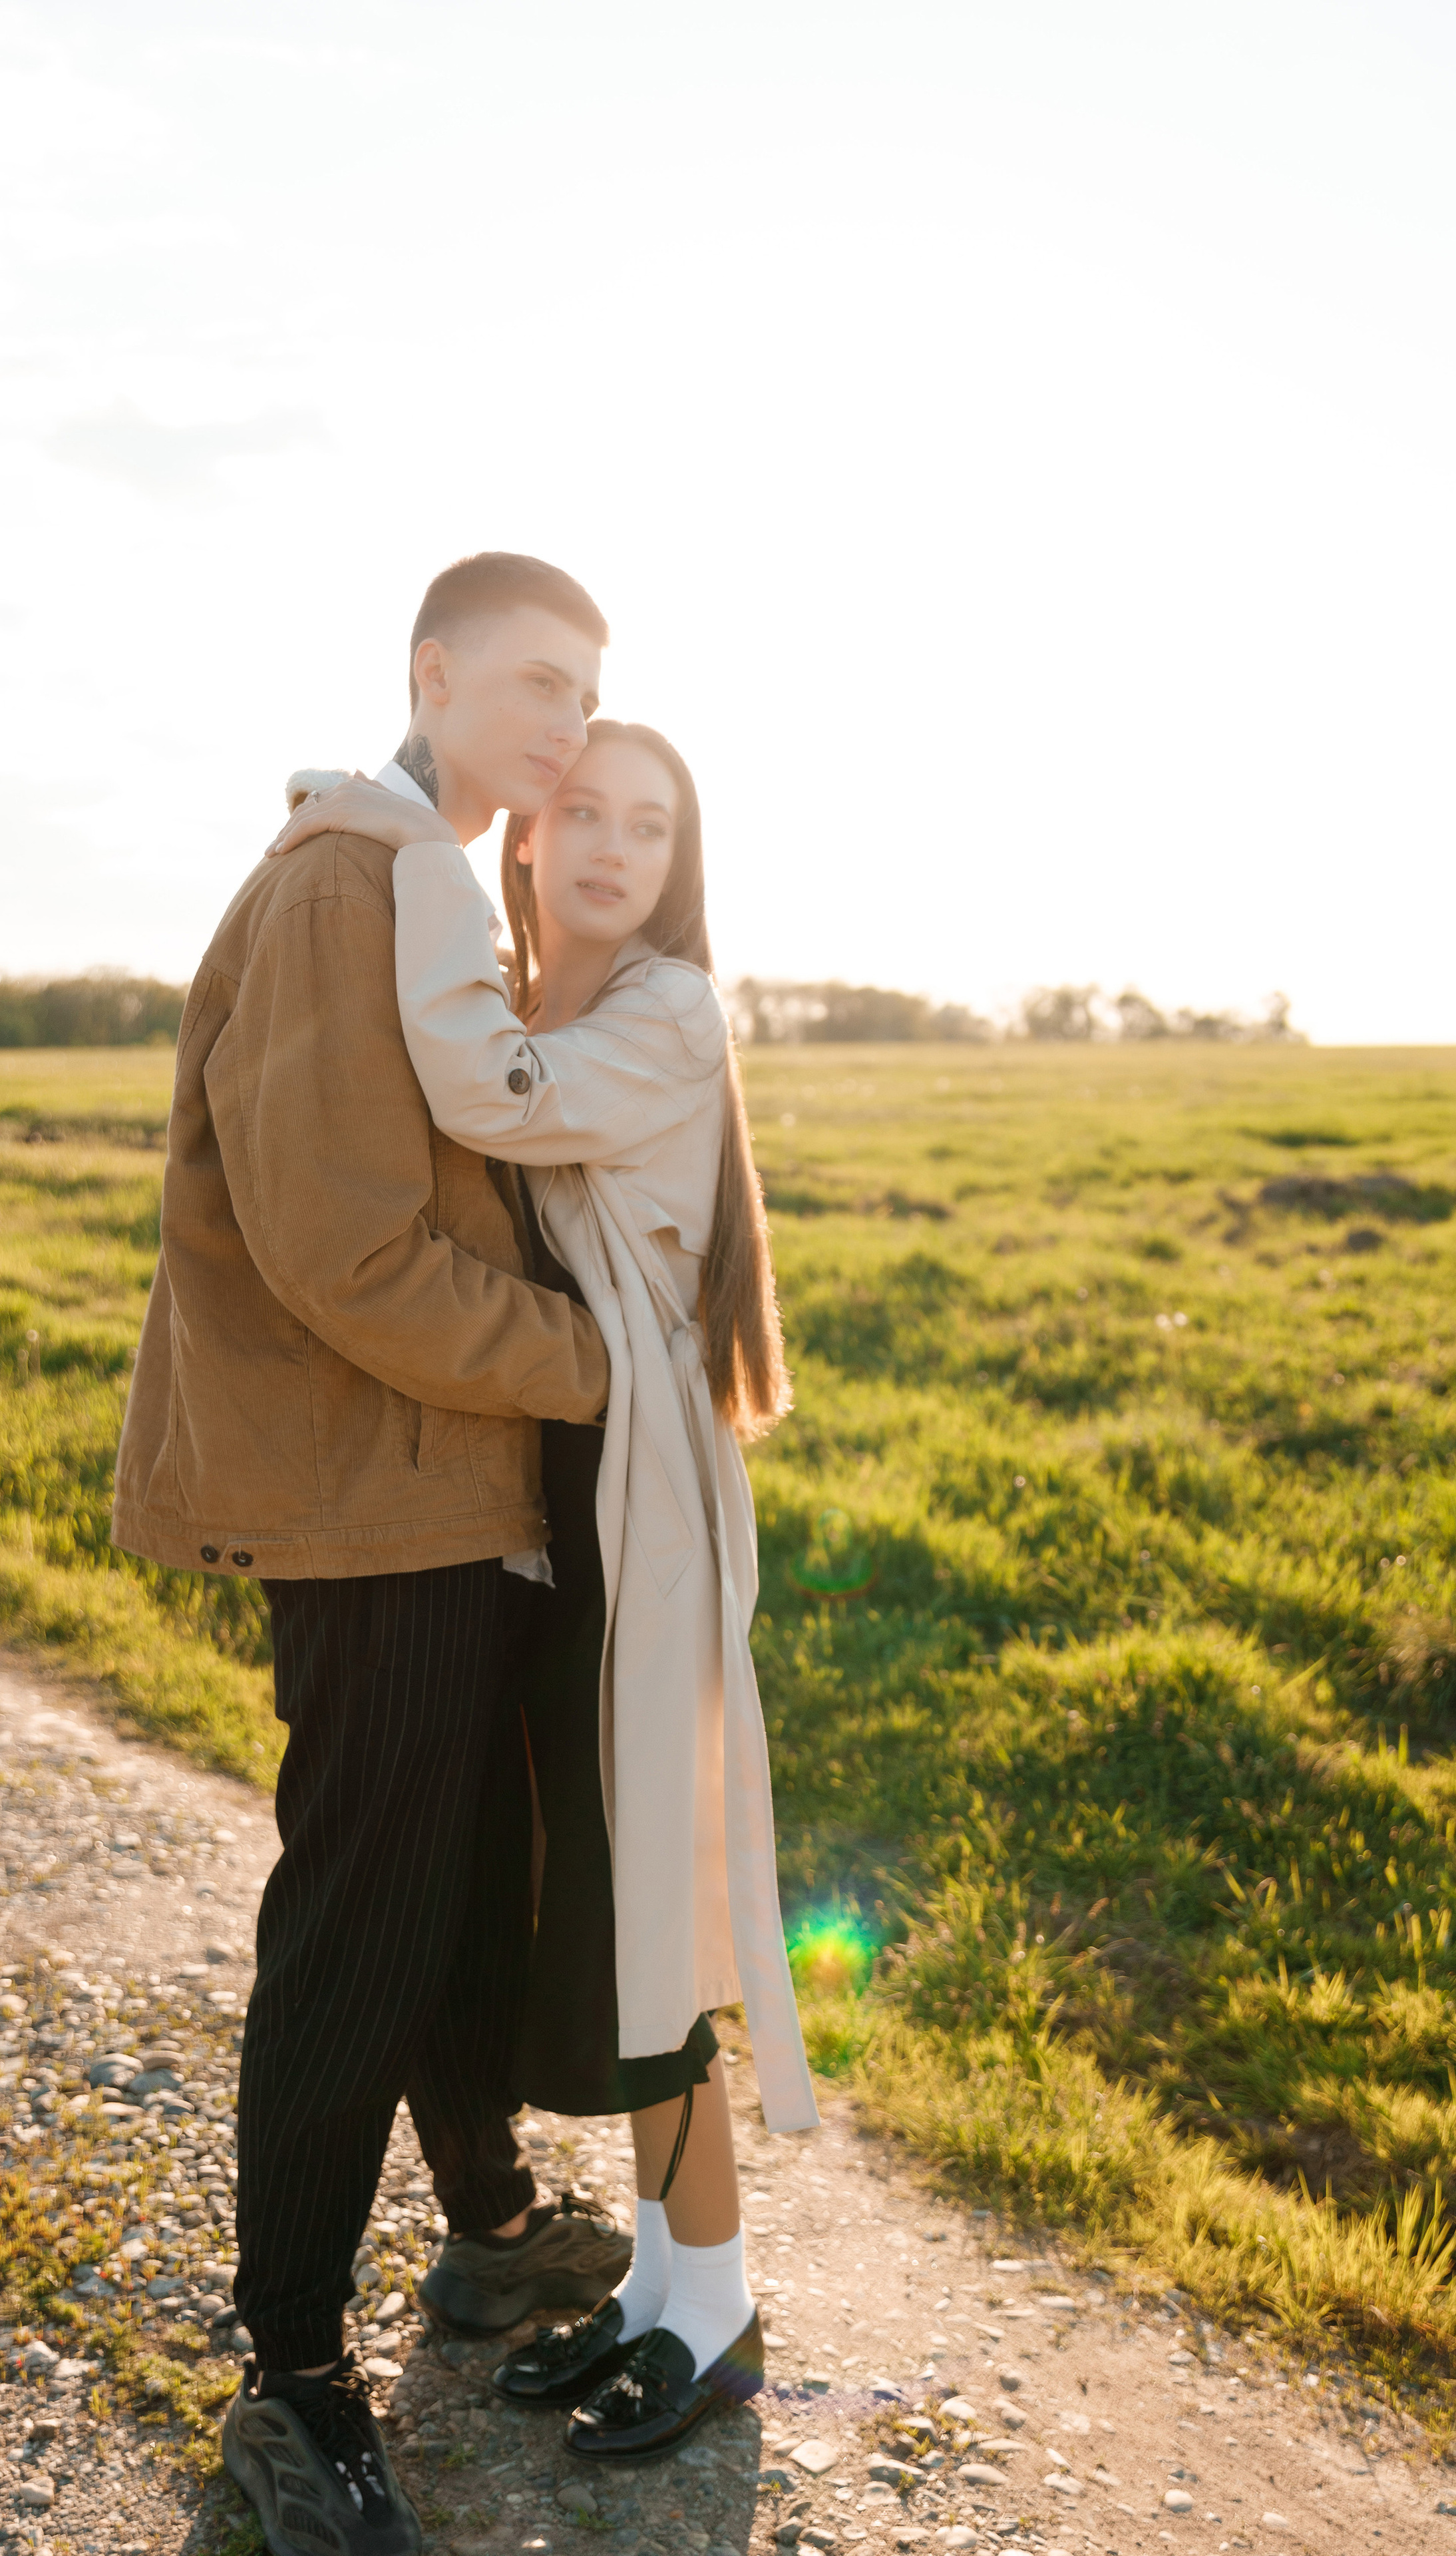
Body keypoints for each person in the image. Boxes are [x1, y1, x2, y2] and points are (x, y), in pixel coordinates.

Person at [112, 554, 636, 2556]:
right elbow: (339, 1245)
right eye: (533, 682)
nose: (568, 729)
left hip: (445, 1485)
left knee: (451, 1893)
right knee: (360, 1922)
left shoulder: (438, 878)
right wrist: (586, 1368)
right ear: (430, 672)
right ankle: (295, 2376)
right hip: (374, 1493)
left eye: (591, 695)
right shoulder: (349, 887)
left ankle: (492, 2231)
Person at [262, 718, 819, 2461]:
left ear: (676, 867)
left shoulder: (660, 1011)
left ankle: (714, 2308)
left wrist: (388, 847)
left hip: (636, 1487)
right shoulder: (546, 995)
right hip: (562, 1482)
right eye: (584, 811)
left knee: (650, 1907)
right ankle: (657, 2290)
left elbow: (471, 1090)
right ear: (534, 834)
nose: (610, 848)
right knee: (592, 1898)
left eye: (648, 827)